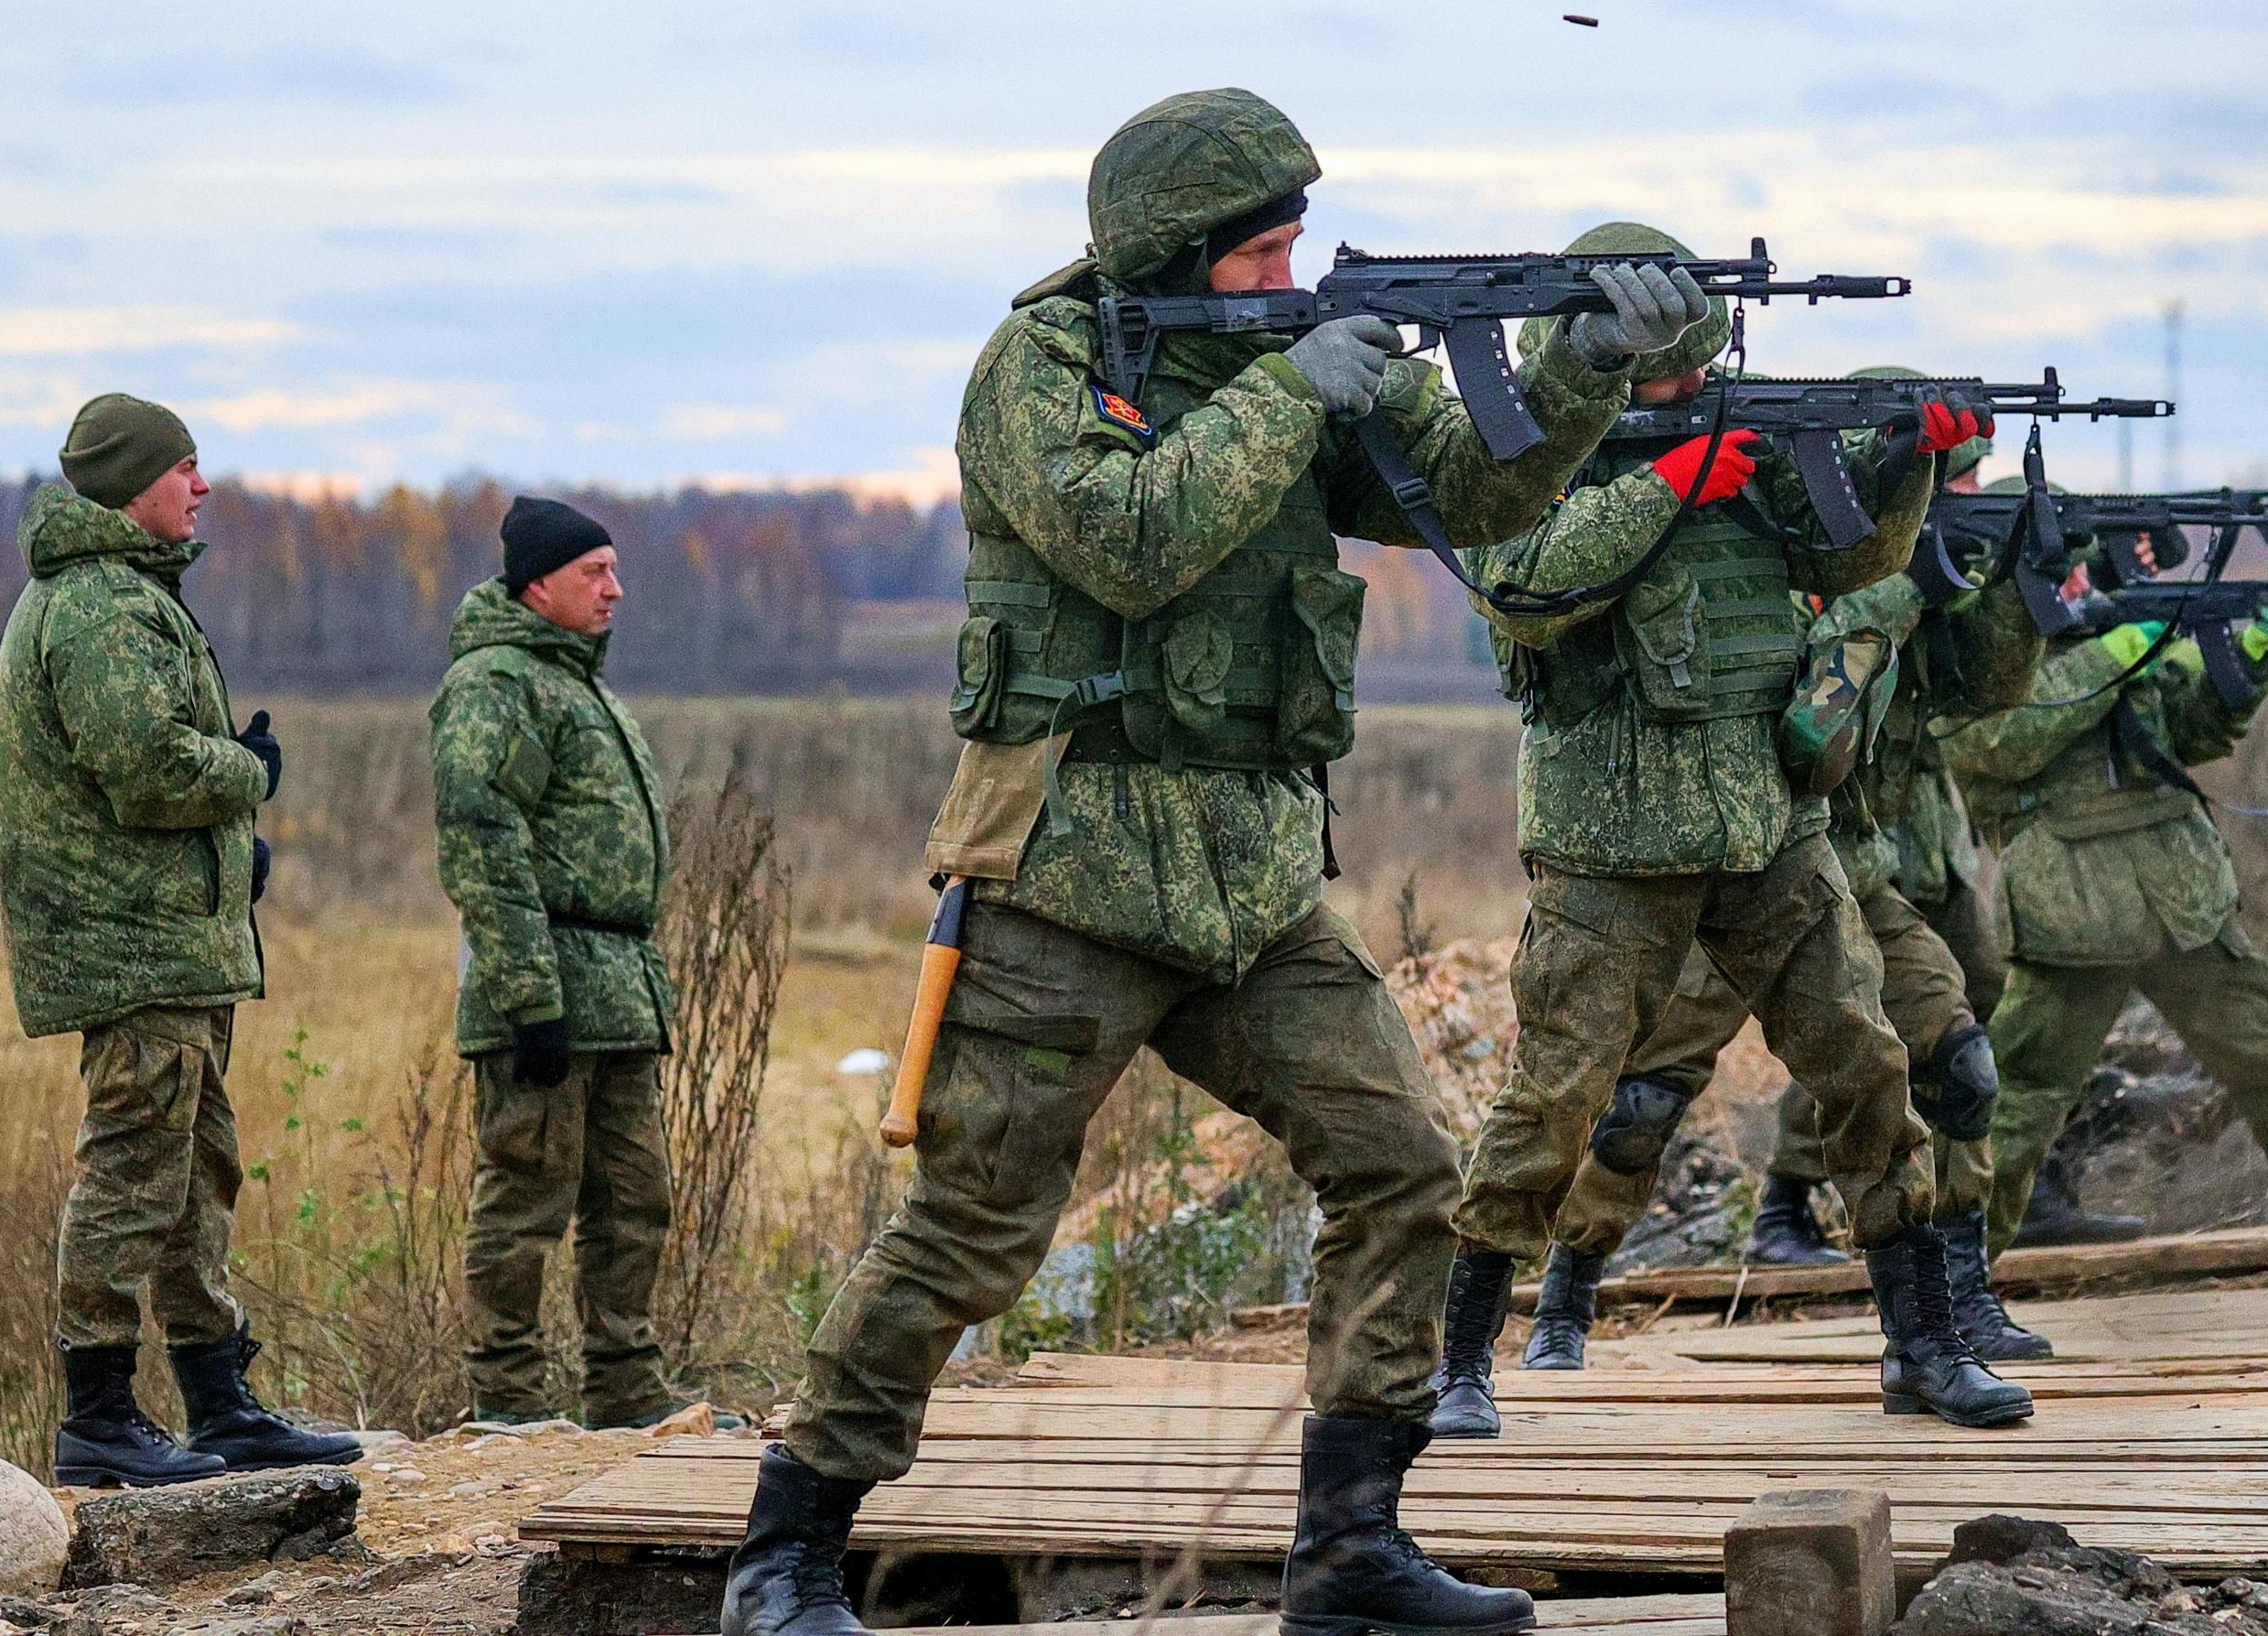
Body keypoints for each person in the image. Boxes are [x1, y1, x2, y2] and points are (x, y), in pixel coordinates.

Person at [718, 91, 1700, 1636]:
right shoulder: (1040, 370)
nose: (1289, 271)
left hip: (1251, 891)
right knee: (971, 1230)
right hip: (1069, 875)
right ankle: (784, 1556)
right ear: (1176, 251)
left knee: (1401, 1175)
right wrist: (1293, 390)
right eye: (1264, 249)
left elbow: (1482, 502)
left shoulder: (1286, 361)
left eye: (1299, 242)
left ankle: (1350, 1553)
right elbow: (1127, 536)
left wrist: (1584, 366)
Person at [1437, 235, 2034, 1441]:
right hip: (1611, 842)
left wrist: (1901, 461)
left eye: (1681, 369)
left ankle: (1923, 1344)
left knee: (1869, 1066)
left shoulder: (1735, 446)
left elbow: (1848, 556)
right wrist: (1669, 484)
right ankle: (1461, 1358)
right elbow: (1523, 588)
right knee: (1557, 1099)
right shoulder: (1529, 461)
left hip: (1768, 827)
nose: (1667, 392)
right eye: (1645, 373)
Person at [1522, 427, 2058, 1371]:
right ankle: (1567, 1290)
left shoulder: (1912, 577)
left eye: (1960, 478)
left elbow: (1988, 687)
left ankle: (1958, 1297)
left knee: (1957, 1064)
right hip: (1740, 861)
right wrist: (1898, 594)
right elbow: (1808, 726)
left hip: (1853, 871)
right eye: (1939, 477)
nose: (1954, 495)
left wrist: (2023, 586)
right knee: (1641, 1102)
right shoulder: (1803, 554)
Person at [0, 394, 358, 1486]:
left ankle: (217, 1401)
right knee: (132, 1171)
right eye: (185, 467)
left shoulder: (128, 594)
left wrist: (225, 859)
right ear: (131, 483)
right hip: (132, 951)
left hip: (171, 944)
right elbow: (148, 767)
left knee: (197, 1170)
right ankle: (100, 1420)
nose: (202, 486)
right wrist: (250, 777)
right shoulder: (103, 605)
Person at [1940, 558, 2268, 1295]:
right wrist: (2123, 649)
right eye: (2060, 571)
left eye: (2082, 569)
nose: (2079, 583)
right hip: (2077, 909)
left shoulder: (2114, 636)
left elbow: (2188, 731)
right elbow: (1998, 743)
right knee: (2022, 1098)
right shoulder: (1979, 659)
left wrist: (2244, 651)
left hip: (2180, 896)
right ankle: (1952, 1282)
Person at [430, 494, 687, 1430]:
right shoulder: (498, 682)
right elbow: (482, 842)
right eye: (594, 572)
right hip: (544, 994)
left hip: (619, 991)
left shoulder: (580, 681)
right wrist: (530, 996)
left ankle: (628, 1391)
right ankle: (505, 1404)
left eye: (616, 569)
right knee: (524, 1202)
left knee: (634, 1200)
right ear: (538, 584)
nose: (615, 588)